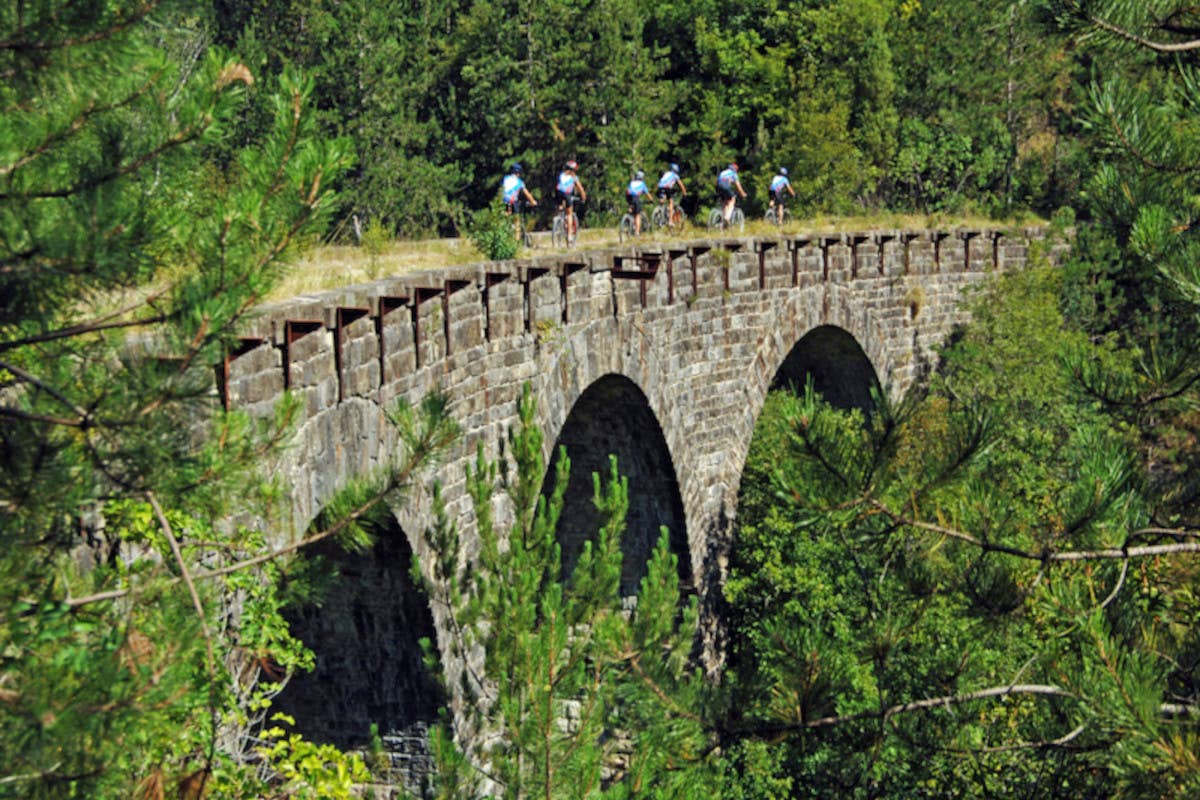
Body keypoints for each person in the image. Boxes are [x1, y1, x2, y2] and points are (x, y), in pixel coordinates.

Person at [501, 162, 537, 239]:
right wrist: (532, 201)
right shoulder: (519, 182)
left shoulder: (505, 178)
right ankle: (516, 241)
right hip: (513, 201)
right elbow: (527, 193)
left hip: (504, 201)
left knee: (506, 214)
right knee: (517, 221)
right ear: (518, 173)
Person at [556, 160, 587, 240]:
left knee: (560, 207)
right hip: (567, 194)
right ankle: (569, 235)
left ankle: (558, 221)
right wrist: (583, 197)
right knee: (569, 214)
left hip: (558, 193)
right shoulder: (574, 177)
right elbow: (580, 188)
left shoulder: (560, 175)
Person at [656, 162, 687, 226]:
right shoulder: (675, 175)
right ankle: (670, 221)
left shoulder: (666, 173)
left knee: (662, 200)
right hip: (667, 187)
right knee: (671, 202)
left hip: (660, 187)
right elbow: (680, 184)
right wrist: (684, 192)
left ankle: (660, 214)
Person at [716, 162, 746, 226]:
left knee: (726, 202)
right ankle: (727, 218)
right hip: (725, 185)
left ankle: (723, 220)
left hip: (718, 186)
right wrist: (742, 193)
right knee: (732, 199)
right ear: (735, 170)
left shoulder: (723, 172)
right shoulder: (733, 173)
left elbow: (719, 181)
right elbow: (738, 186)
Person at [625, 170, 651, 234]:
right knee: (637, 215)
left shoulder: (632, 182)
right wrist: (651, 200)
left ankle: (629, 215)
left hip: (628, 196)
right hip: (635, 197)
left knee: (632, 207)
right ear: (642, 177)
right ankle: (637, 232)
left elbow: (627, 190)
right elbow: (647, 194)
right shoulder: (642, 184)